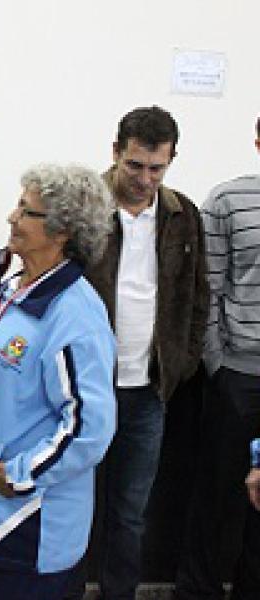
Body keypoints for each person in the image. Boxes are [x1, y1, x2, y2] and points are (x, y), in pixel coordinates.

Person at [0, 164, 116, 600]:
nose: (12, 218)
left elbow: (89, 428)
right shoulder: (15, 290)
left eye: (27, 211)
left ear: (62, 231)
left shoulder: (76, 316)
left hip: (27, 527)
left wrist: (21, 474)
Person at [68, 106, 209, 600]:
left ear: (170, 161)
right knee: (72, 505)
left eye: (156, 168)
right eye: (134, 166)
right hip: (83, 387)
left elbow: (197, 295)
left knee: (130, 513)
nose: (145, 179)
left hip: (148, 388)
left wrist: (182, 362)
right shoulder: (83, 206)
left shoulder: (182, 215)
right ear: (115, 152)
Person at [174, 117, 260, 600]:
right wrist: (217, 366)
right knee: (217, 495)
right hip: (237, 374)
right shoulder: (229, 201)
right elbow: (207, 290)